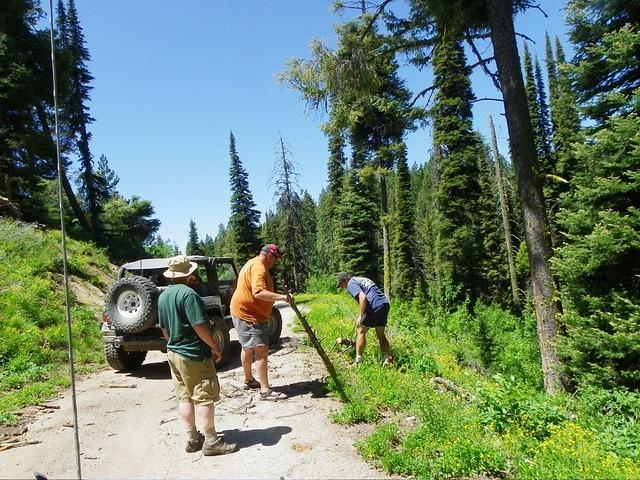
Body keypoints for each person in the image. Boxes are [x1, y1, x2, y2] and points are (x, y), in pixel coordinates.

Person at [158, 255, 237, 456]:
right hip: (193, 353)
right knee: (203, 396)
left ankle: (193, 439)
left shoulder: (163, 296)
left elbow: (165, 329)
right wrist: (214, 346)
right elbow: (199, 325)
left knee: (184, 397)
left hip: (173, 352)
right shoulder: (189, 295)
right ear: (189, 273)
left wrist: (171, 344)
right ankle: (211, 441)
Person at [230, 244, 290, 401]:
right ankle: (265, 391)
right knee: (261, 351)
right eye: (276, 259)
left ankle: (249, 380)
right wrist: (282, 297)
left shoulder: (253, 263)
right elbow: (258, 292)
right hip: (249, 315)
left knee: (247, 347)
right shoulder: (259, 268)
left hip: (241, 311)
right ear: (270, 256)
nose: (275, 263)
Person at [336, 272, 392, 366]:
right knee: (381, 334)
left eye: (341, 284)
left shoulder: (351, 283)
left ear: (344, 280)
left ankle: (358, 361)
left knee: (360, 330)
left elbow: (362, 297)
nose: (342, 287)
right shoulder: (361, 279)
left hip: (374, 305)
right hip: (384, 304)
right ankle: (386, 359)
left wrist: (360, 316)